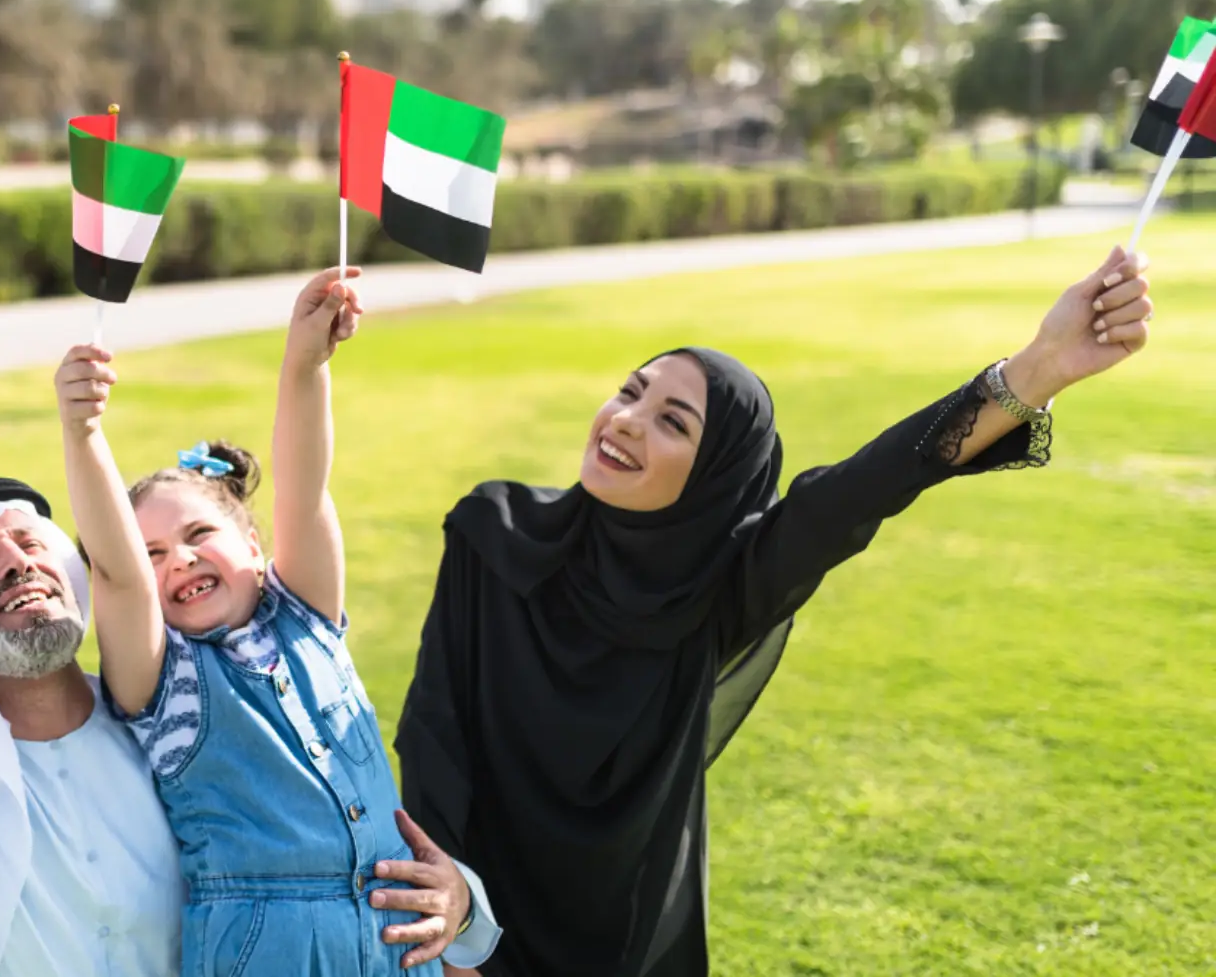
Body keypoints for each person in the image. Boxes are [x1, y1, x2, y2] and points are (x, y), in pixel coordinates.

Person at [0, 201, 500, 977]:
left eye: (31, 540)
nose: (13, 560)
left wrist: (463, 902)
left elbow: (336, 852)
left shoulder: (158, 739)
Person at [395, 246, 1156, 977]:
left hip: (616, 938)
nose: (627, 419)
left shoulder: (721, 592)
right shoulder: (492, 535)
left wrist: (1038, 369)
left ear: (716, 478)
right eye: (632, 391)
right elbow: (435, 729)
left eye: (674, 422)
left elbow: (871, 483)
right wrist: (456, 910)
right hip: (463, 914)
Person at [52, 265, 501, 976]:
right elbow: (116, 574)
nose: (179, 560)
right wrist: (83, 434)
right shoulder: (162, 681)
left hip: (392, 938)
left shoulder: (310, 616)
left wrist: (305, 361)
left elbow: (304, 485)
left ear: (255, 547)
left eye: (200, 534)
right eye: (155, 553)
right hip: (269, 953)